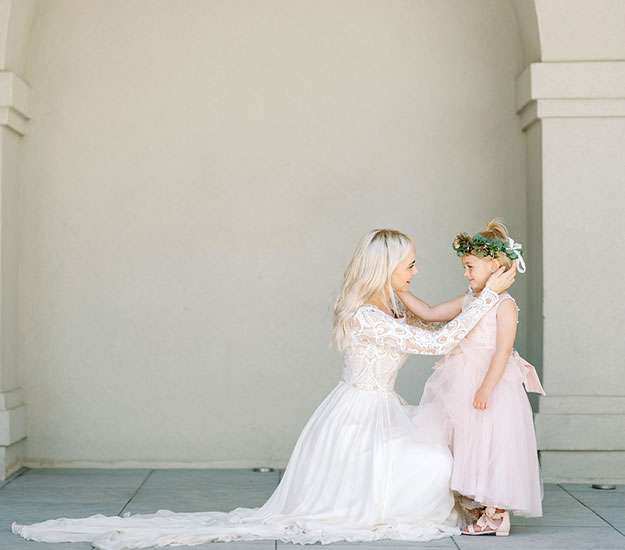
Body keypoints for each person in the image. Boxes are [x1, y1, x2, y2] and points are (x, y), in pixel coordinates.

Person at [11, 228, 515, 549]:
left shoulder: (395, 307)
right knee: (425, 471)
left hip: (380, 409)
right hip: (359, 416)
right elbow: (441, 339)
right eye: (409, 263)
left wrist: (480, 292)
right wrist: (489, 296)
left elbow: (432, 320)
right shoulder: (366, 315)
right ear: (387, 269)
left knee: (432, 462)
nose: (415, 270)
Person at [398, 220, 544, 537]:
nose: (466, 274)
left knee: (495, 445)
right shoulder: (470, 300)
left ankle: (498, 511)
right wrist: (401, 291)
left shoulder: (505, 305)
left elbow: (503, 351)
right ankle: (477, 503)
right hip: (462, 381)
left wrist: (486, 387)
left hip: (491, 385)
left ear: (494, 266)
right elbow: (432, 312)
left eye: (470, 267)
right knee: (468, 444)